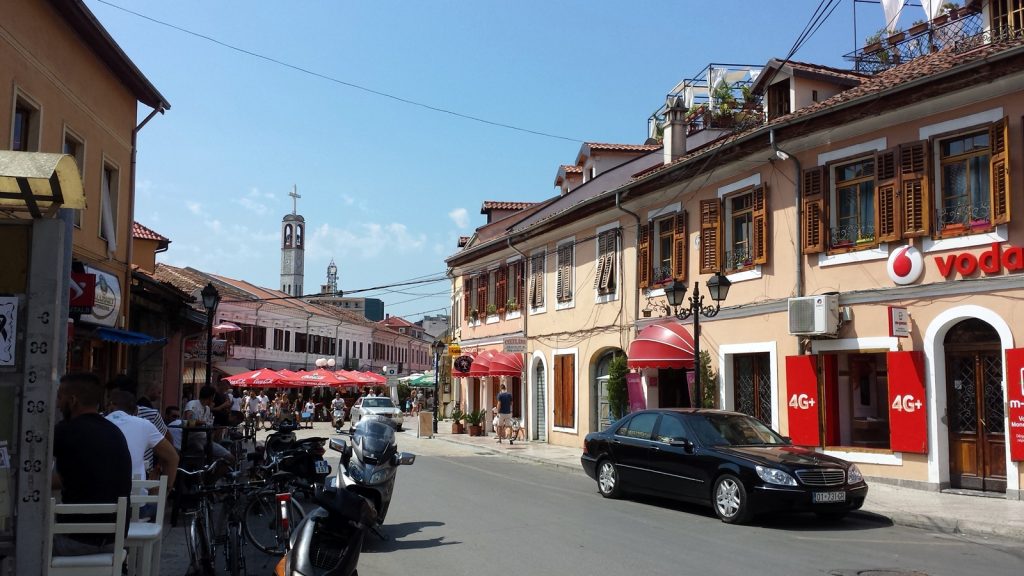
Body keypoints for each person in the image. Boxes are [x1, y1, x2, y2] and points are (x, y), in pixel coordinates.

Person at [52, 372, 132, 556]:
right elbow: (83, 477)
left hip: (73, 541)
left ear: (73, 401)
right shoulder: (114, 432)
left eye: (59, 397)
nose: (57, 403)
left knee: (18, 545)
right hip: (115, 541)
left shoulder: (65, 431)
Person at [105, 390, 179, 496]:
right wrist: (164, 492)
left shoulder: (96, 424)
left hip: (99, 502)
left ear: (110, 406)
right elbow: (172, 457)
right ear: (136, 412)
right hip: (136, 502)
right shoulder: (144, 424)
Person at [183, 385, 235, 464]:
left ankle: (212, 475)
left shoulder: (207, 409)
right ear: (211, 397)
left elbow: (209, 425)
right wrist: (201, 423)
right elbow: (187, 422)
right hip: (192, 440)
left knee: (230, 458)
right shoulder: (192, 404)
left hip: (206, 440)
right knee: (201, 453)